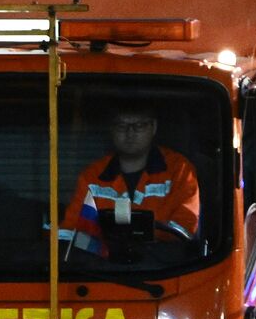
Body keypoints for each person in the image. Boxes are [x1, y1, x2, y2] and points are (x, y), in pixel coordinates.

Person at [61, 104, 200, 256]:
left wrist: (143, 241)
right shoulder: (91, 176)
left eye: (139, 125)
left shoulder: (180, 171)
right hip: (101, 269)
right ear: (111, 129)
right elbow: (71, 231)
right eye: (122, 125)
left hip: (165, 269)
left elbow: (185, 227)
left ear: (153, 127)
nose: (130, 132)